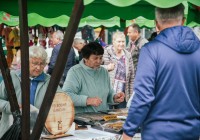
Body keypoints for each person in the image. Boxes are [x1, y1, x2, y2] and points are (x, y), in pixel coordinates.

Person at [122, 4, 200, 140]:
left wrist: (128, 133)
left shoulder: (151, 50)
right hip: (191, 132)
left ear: (156, 23)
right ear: (184, 20)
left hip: (157, 134)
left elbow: (143, 97)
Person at [0, 45, 63, 138]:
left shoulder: (50, 81)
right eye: (35, 63)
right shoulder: (12, 77)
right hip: (12, 130)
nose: (38, 67)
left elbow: (61, 101)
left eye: (42, 64)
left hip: (40, 131)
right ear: (25, 62)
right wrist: (13, 107)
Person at [62, 42, 125, 114]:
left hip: (102, 118)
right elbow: (66, 95)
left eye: (100, 58)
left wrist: (114, 97)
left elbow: (109, 93)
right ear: (85, 58)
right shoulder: (75, 72)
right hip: (82, 120)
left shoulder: (104, 71)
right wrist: (87, 100)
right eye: (95, 58)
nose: (99, 61)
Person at [102, 31, 134, 109]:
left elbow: (132, 77)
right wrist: (107, 67)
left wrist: (129, 96)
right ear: (113, 42)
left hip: (122, 94)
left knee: (120, 117)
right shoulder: (106, 52)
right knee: (106, 117)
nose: (121, 44)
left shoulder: (127, 55)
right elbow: (96, 68)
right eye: (119, 41)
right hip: (108, 94)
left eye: (123, 41)